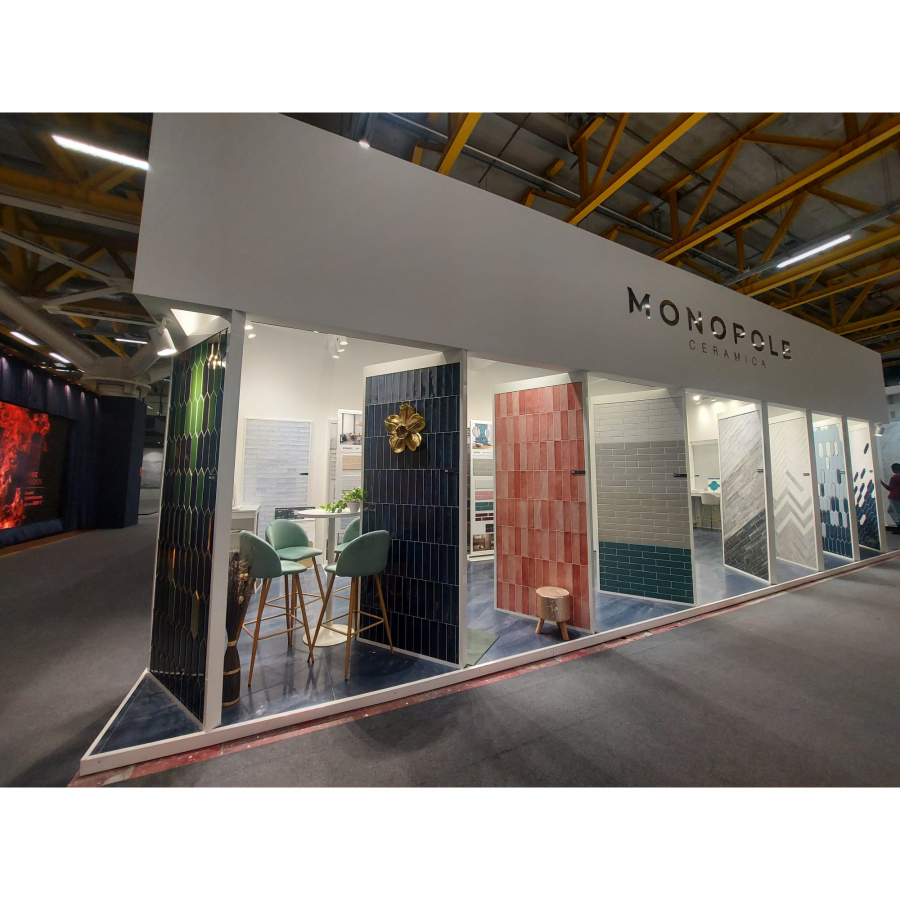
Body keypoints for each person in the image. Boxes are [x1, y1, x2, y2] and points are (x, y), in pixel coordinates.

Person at [881, 463, 900, 533]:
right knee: (891, 510)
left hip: (895, 497)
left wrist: (881, 483)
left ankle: (899, 526)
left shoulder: (894, 478)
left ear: (894, 469)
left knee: (896, 513)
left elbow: (890, 488)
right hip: (897, 497)